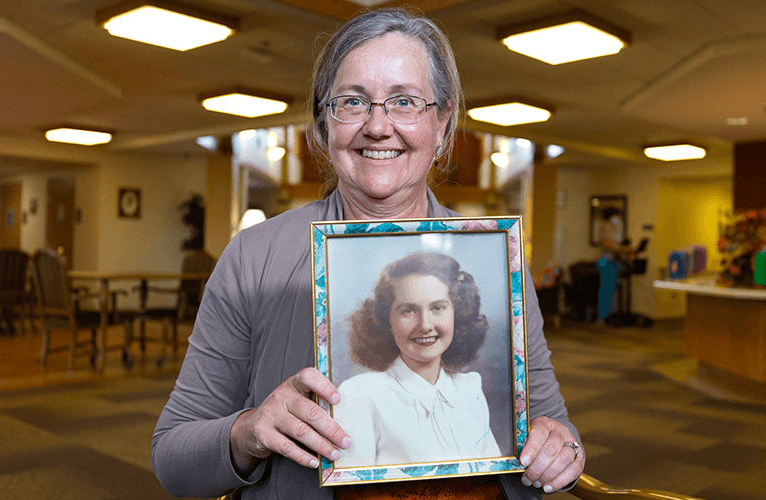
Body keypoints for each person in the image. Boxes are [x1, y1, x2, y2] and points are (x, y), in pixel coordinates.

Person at [152, 8, 584, 500]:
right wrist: (249, 431)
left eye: (405, 101)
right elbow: (172, 460)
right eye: (353, 102)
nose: (378, 127)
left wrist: (562, 449)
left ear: (442, 124)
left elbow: (556, 429)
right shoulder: (256, 256)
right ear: (322, 127)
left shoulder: (493, 255)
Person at [334, 251, 501, 467]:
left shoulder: (470, 390)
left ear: (457, 313)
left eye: (437, 308)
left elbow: (493, 476)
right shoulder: (361, 396)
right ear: (386, 320)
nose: (425, 325)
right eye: (409, 310)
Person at [596, 207, 630, 323]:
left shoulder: (612, 228)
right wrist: (621, 249)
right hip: (605, 261)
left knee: (612, 289)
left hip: (612, 261)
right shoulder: (603, 227)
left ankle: (612, 315)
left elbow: (615, 243)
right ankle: (603, 317)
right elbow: (607, 243)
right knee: (606, 289)